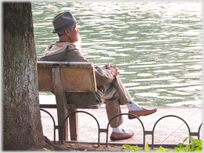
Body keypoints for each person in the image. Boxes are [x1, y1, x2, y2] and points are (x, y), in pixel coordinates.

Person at [39, 11, 157, 141]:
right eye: (76, 28)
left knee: (111, 82)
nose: (78, 31)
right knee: (113, 82)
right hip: (81, 97)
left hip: (64, 94)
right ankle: (129, 111)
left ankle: (128, 115)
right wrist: (110, 72)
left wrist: (102, 69)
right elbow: (99, 78)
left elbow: (84, 71)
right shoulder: (70, 52)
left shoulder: (51, 51)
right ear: (67, 32)